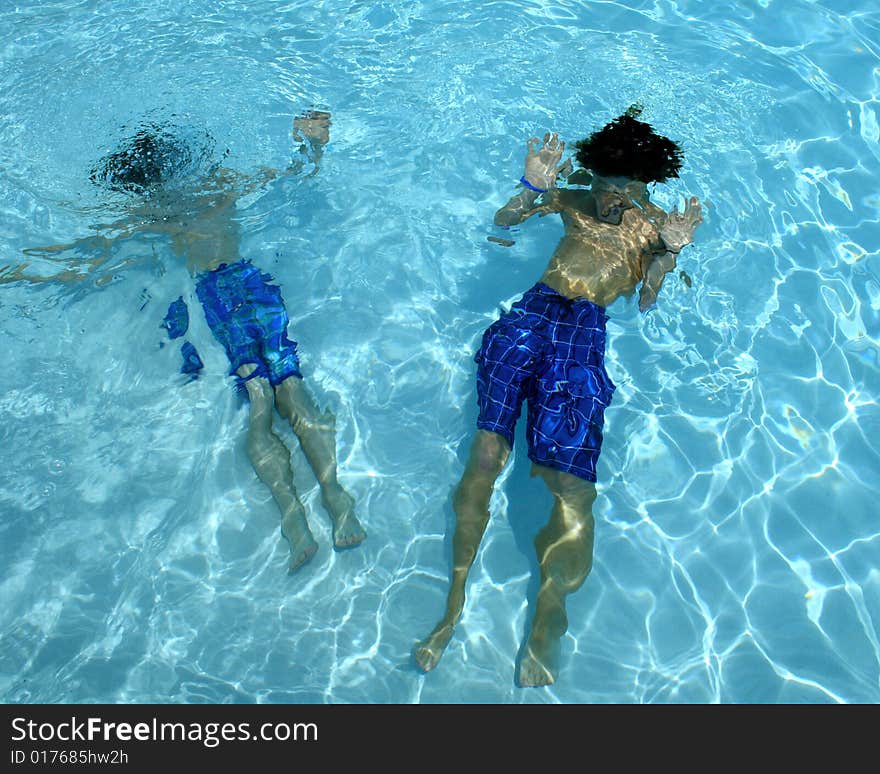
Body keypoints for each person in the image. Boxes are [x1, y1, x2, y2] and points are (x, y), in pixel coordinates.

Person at [3, 110, 366, 572]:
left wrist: (23, 270)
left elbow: (88, 258)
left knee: (259, 401)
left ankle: (295, 518)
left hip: (213, 301)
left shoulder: (153, 213)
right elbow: (291, 175)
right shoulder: (219, 185)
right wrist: (310, 144)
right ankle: (335, 498)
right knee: (290, 389)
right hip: (250, 287)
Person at [414, 106, 703, 687]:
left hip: (582, 336)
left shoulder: (652, 226)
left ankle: (549, 614)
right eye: (604, 183)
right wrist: (529, 189)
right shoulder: (572, 196)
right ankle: (451, 607)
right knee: (486, 456)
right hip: (530, 315)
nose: (611, 198)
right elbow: (503, 226)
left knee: (570, 485)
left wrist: (669, 254)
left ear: (645, 186)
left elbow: (645, 302)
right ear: (592, 174)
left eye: (625, 188)